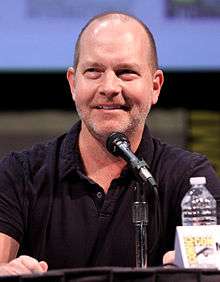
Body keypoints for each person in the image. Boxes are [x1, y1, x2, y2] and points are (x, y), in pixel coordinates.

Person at [0, 11, 219, 276]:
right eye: (94, 71)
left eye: (126, 72)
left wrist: (197, 273)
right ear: (73, 83)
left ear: (155, 86)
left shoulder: (190, 179)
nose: (109, 87)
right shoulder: (19, 173)